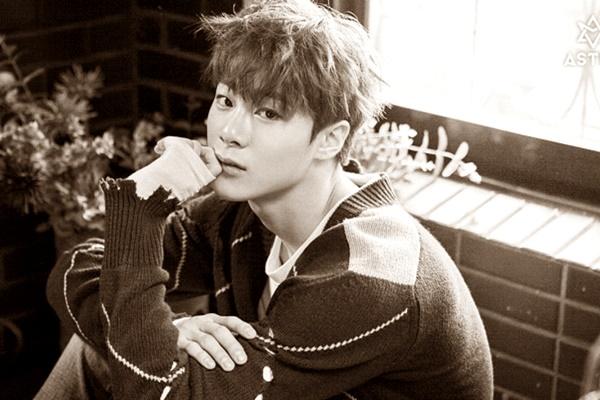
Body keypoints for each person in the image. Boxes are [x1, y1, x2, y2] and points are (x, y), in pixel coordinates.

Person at [37, 1, 493, 399]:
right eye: (226, 100)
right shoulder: (241, 212)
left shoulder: (365, 276)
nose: (230, 133)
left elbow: (159, 394)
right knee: (105, 346)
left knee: (133, 352)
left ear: (330, 139)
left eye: (268, 112)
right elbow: (72, 271)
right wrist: (171, 330)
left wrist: (140, 208)